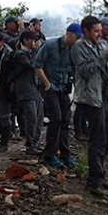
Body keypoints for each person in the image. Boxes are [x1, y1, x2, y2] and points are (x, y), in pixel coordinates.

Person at [71, 16, 108, 195]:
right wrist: (103, 57)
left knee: (106, 139)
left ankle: (101, 174)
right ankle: (94, 182)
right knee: (97, 140)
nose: (100, 34)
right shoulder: (79, 47)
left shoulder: (102, 44)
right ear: (85, 31)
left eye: (101, 31)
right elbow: (85, 71)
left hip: (105, 96)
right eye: (96, 31)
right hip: (91, 99)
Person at [34, 23, 83, 168]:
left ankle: (65, 154)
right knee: (56, 118)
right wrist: (47, 84)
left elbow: (74, 69)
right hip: (50, 88)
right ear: (69, 34)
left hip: (62, 88)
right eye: (77, 37)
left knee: (65, 120)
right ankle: (49, 154)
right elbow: (37, 65)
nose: (78, 40)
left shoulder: (72, 50)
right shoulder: (50, 45)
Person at [13, 30, 42, 155]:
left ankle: (35, 142)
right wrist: (35, 50)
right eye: (33, 40)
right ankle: (30, 145)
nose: (35, 42)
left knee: (39, 118)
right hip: (25, 90)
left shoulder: (30, 53)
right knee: (32, 118)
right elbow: (33, 65)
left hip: (35, 89)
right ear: (25, 40)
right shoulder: (19, 54)